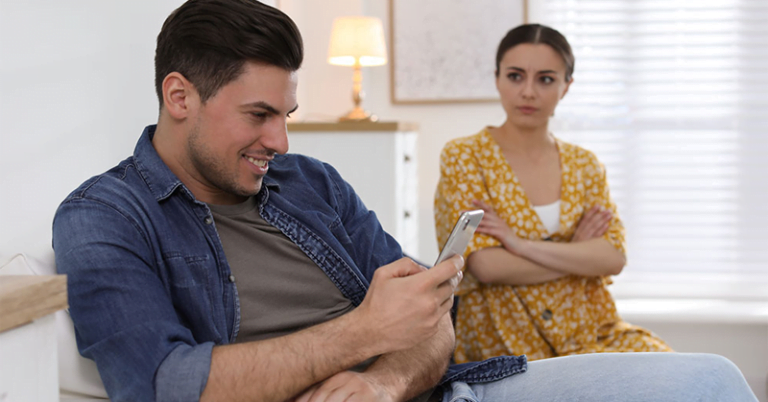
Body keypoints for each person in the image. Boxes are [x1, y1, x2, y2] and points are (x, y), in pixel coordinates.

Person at [52, 2, 757, 401]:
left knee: (712, 380)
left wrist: (385, 384)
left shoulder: (310, 182)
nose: (282, 140)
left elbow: (431, 313)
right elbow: (164, 383)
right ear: (180, 96)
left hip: (446, 391)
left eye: (287, 114)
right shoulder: (107, 217)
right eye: (259, 115)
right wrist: (361, 335)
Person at [434, 23, 674, 364]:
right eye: (515, 76)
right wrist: (576, 252)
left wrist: (519, 245)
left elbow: (612, 257)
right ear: (497, 78)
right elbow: (486, 265)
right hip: (506, 339)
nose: (528, 92)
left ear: (566, 86)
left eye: (545, 79)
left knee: (693, 373)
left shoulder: (585, 164)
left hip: (594, 330)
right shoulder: (463, 157)